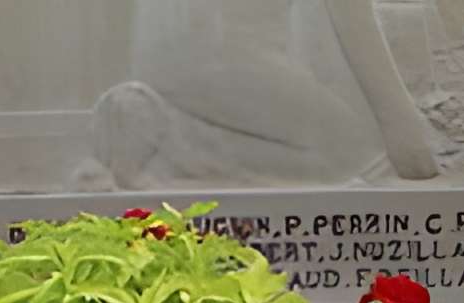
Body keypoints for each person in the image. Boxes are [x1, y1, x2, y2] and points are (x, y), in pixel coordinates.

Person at [96, 0, 441, 186]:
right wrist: (406, 133)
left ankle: (169, 125)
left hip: (166, 60)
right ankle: (176, 143)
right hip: (225, 60)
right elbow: (352, 22)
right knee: (353, 152)